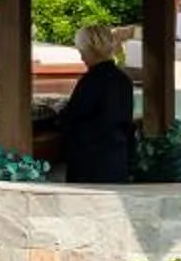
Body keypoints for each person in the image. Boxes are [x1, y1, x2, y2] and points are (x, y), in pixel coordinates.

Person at [47, 22, 135, 184]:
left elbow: (72, 118)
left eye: (82, 51)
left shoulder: (92, 81)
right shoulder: (123, 79)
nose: (81, 56)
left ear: (90, 50)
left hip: (91, 163)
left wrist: (58, 112)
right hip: (117, 159)